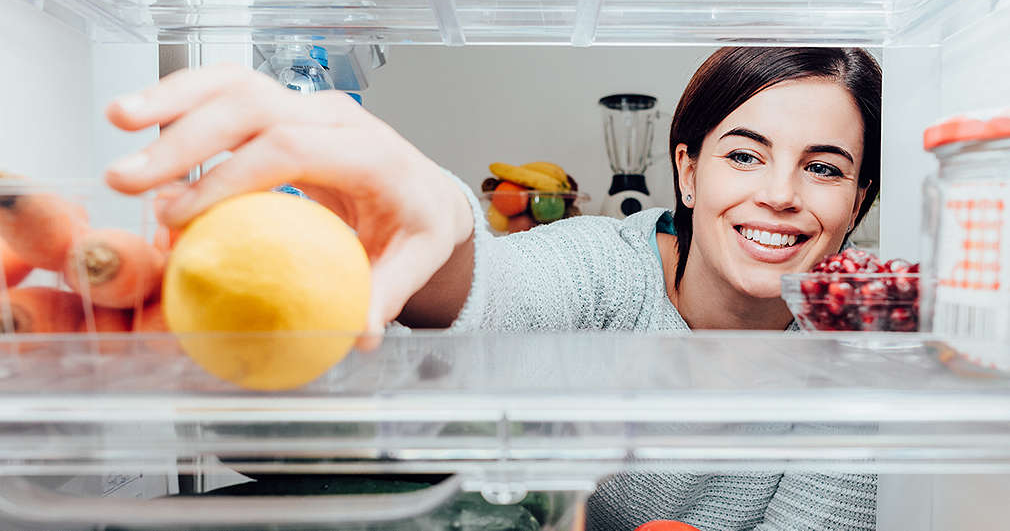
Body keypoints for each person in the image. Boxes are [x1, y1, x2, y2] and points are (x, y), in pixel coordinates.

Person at [105, 46, 881, 530]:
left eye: (823, 167)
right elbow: (498, 292)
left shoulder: (861, 358)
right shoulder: (609, 266)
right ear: (687, 168)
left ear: (859, 201)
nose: (780, 194)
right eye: (744, 155)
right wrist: (443, 224)